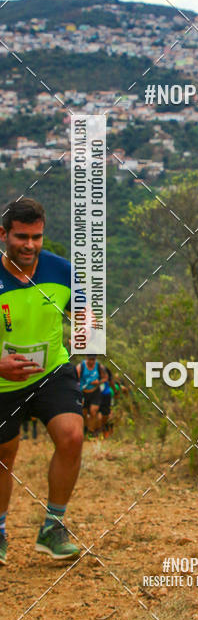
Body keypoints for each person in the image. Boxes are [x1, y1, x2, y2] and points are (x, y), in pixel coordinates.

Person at [0, 198, 82, 564]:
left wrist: (86, 324)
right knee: (5, 453)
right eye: (21, 237)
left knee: (72, 436)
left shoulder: (61, 270)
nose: (30, 245)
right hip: (2, 380)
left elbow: (83, 311)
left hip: (50, 371)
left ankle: (53, 526)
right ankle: (0, 532)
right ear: (3, 235)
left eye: (36, 237)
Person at [76, 355, 107, 436]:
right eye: (90, 359)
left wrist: (98, 382)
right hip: (84, 392)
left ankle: (92, 430)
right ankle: (85, 429)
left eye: (93, 360)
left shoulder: (99, 366)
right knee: (84, 413)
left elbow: (105, 378)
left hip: (95, 392)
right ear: (86, 358)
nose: (92, 362)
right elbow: (76, 379)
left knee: (93, 411)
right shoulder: (80, 367)